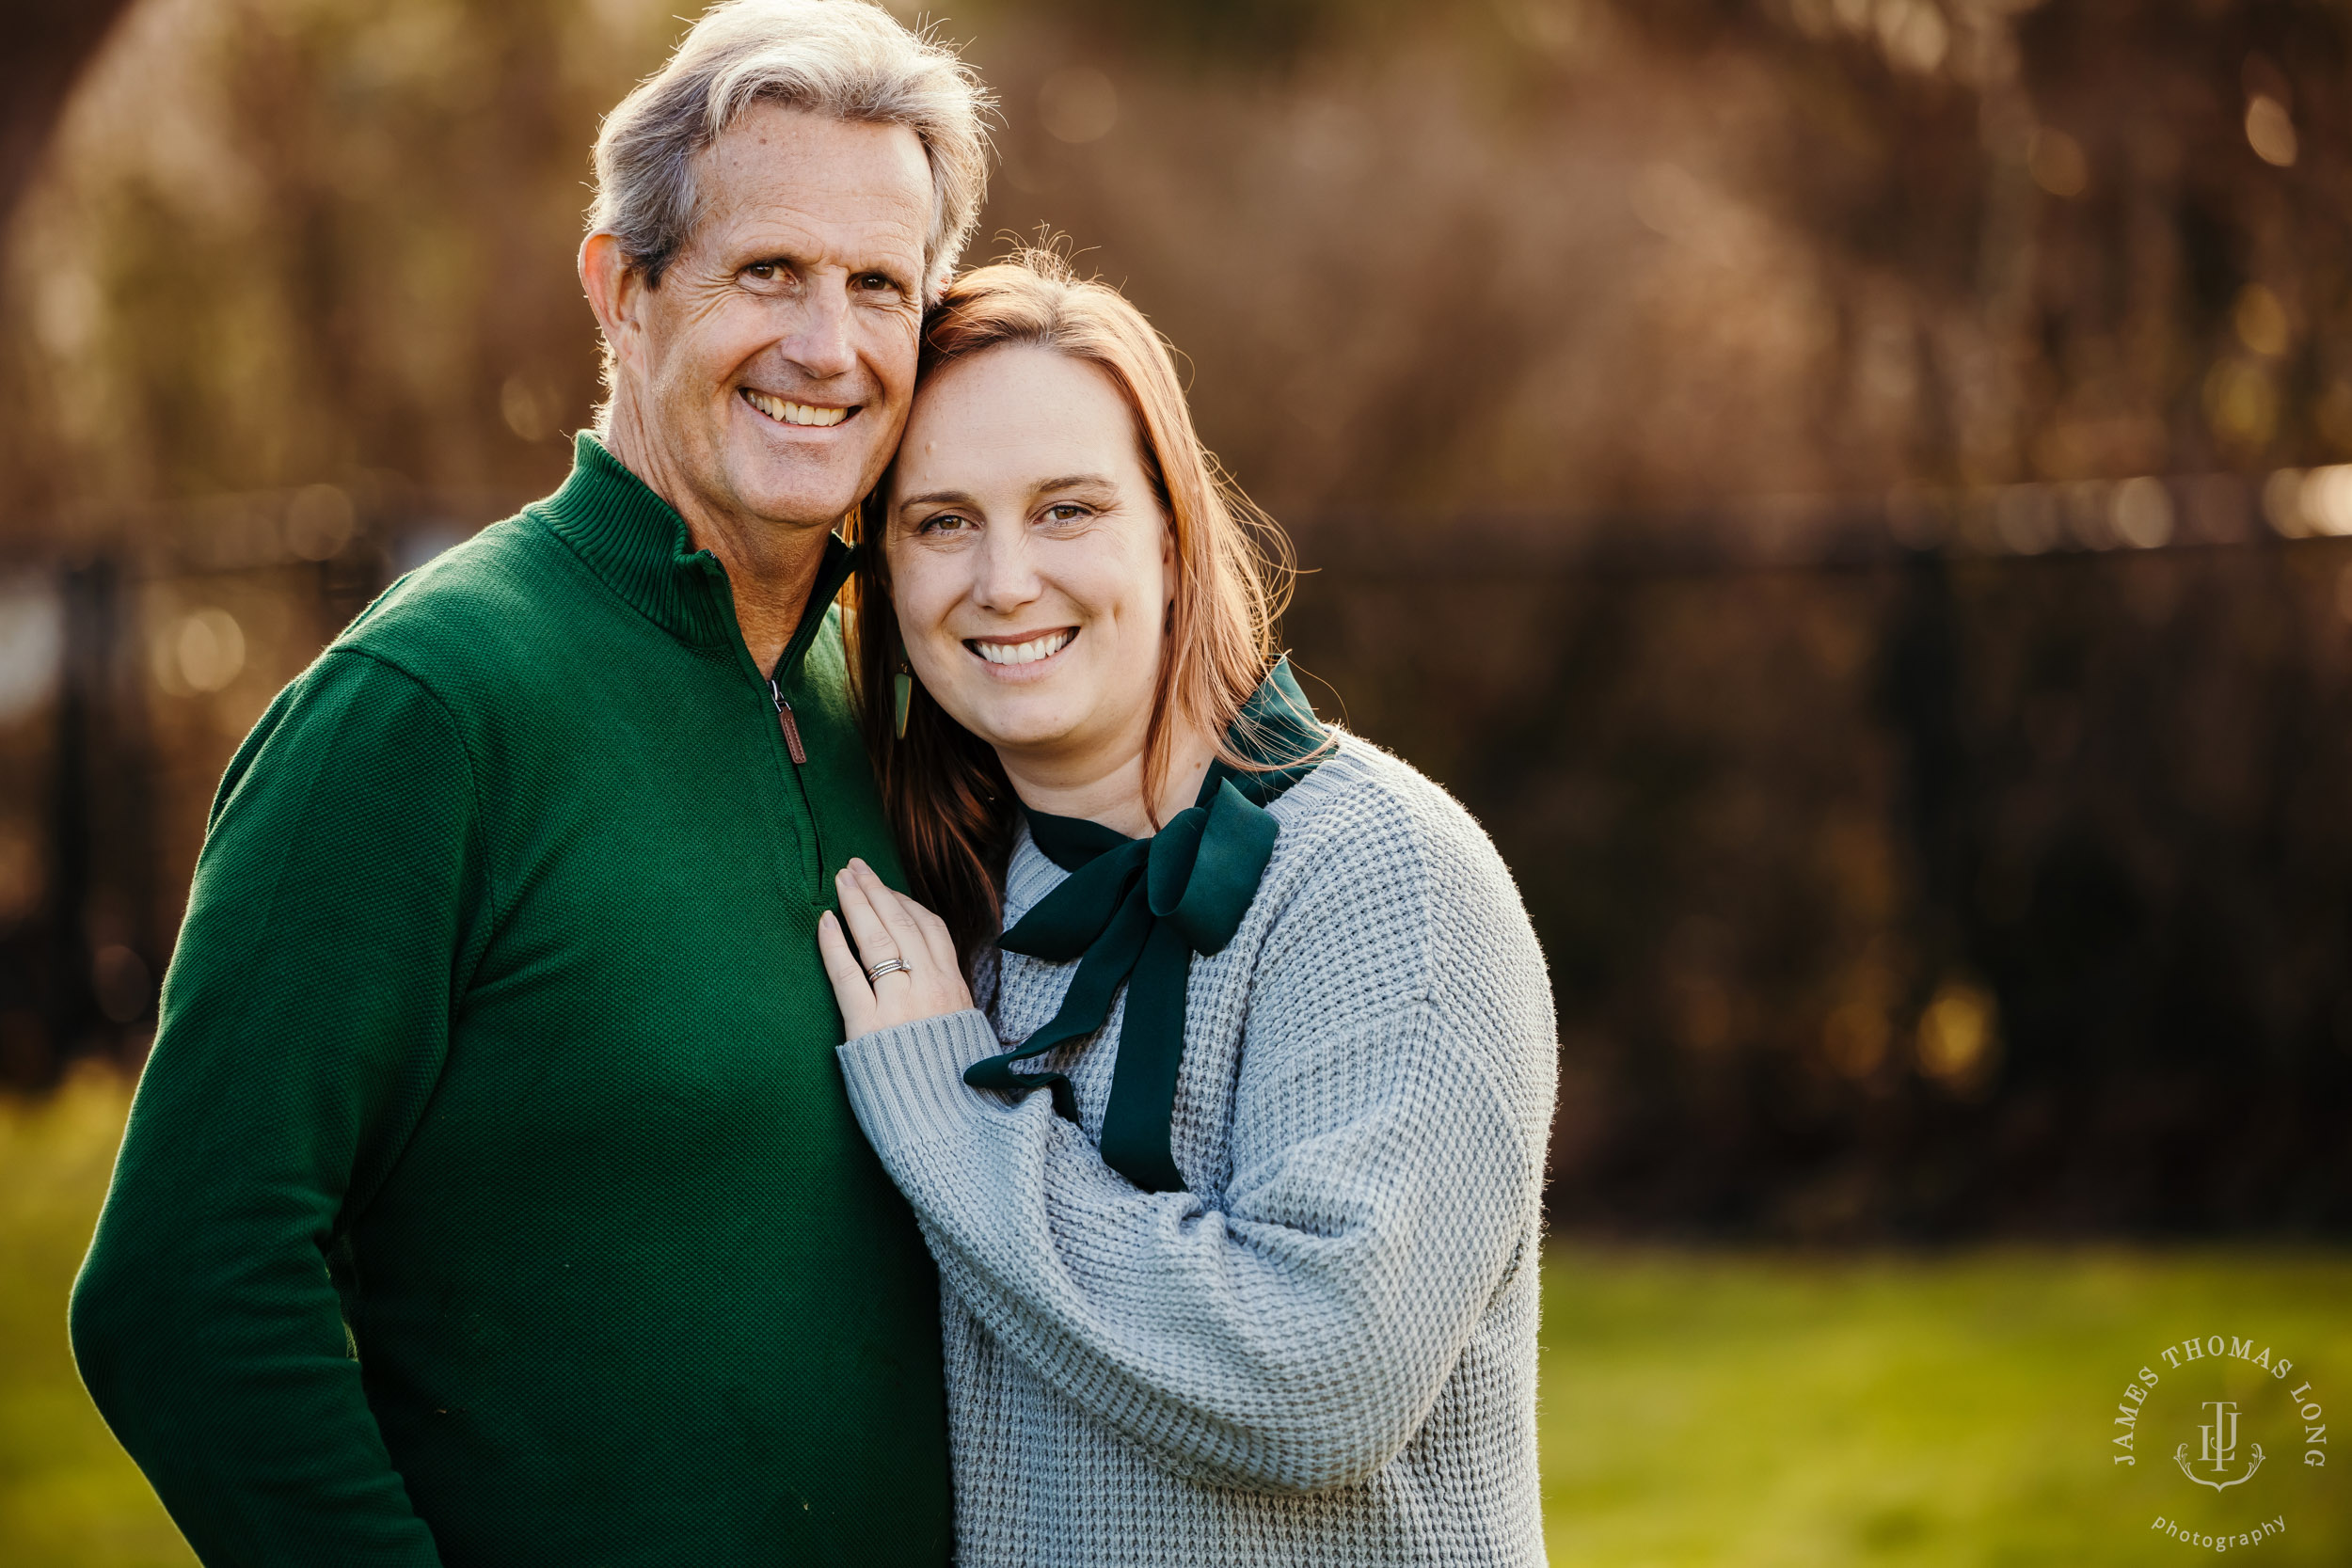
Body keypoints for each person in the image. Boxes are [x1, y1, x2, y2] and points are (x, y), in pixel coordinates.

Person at [69, 3, 987, 1562]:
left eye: (878, 287)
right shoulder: (422, 713)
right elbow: (185, 1284)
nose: (827, 348)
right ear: (621, 291)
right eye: (767, 272)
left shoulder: (895, 704)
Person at [817, 251, 1559, 1567]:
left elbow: (1323, 1377)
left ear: (1170, 532)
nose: (1002, 581)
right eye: (941, 521)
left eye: (1066, 509)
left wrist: (952, 1112)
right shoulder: (948, 910)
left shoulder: (1386, 880)